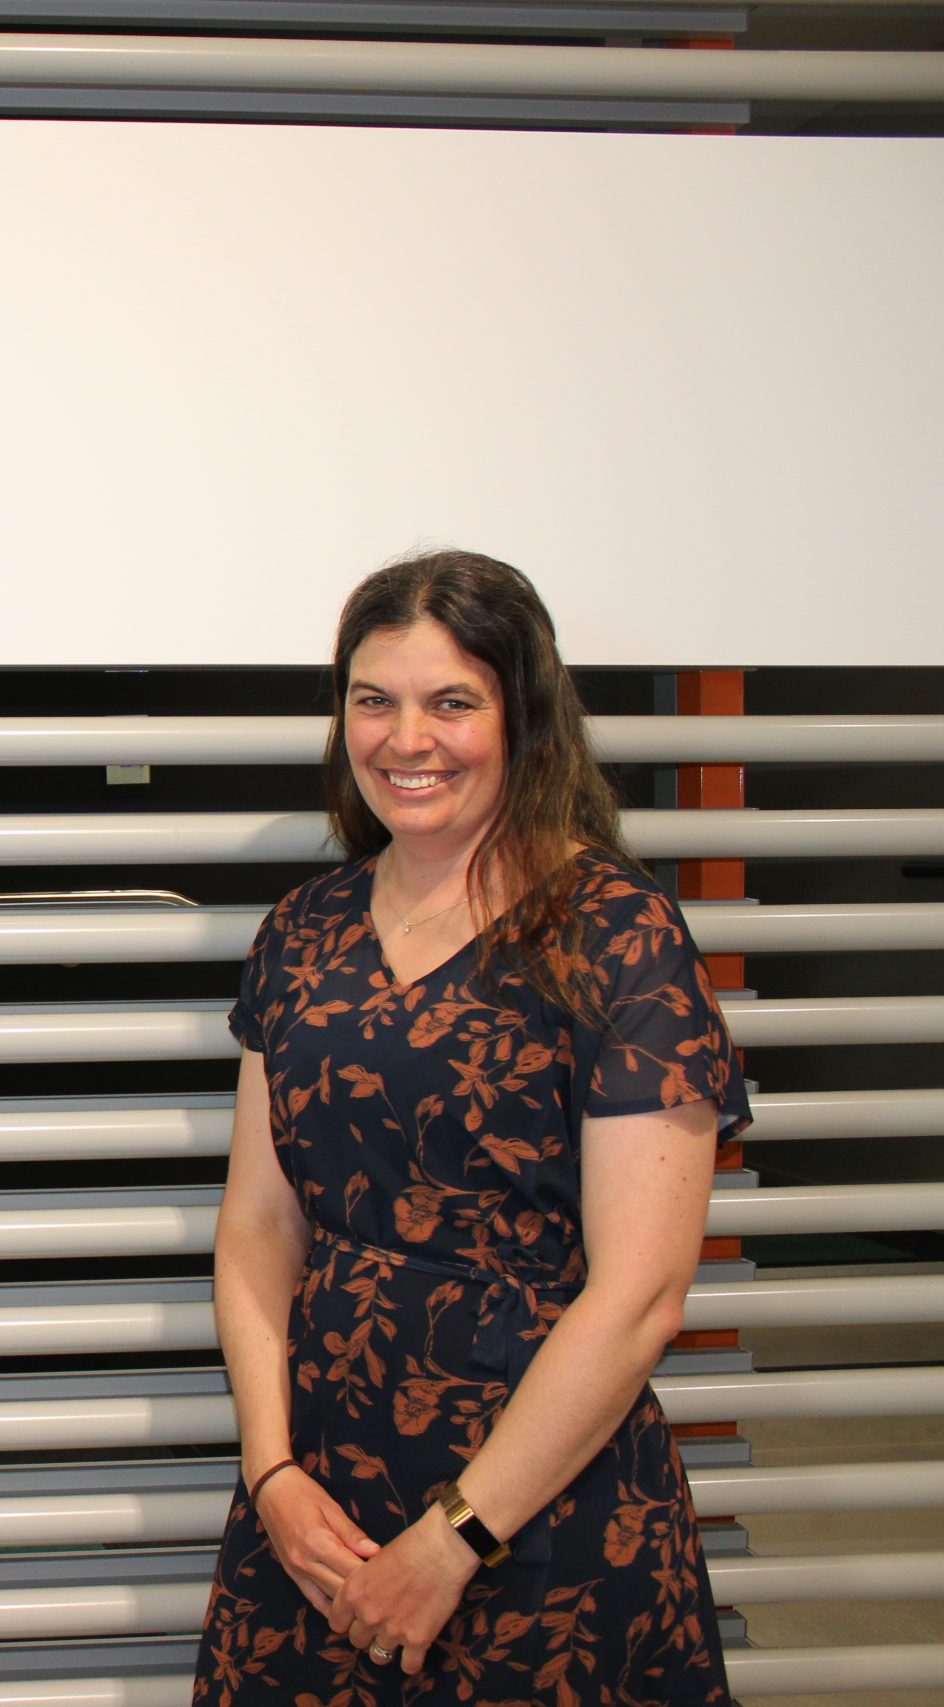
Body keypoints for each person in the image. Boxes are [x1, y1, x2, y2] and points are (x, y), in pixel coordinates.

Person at [192, 550, 749, 1704]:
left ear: (523, 717)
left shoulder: (618, 935)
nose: (407, 739)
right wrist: (272, 1471)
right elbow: (256, 1224)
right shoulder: (302, 931)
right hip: (320, 1501)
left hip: (538, 1502)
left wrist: (457, 1538)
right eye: (373, 700)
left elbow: (641, 1295)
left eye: (452, 702)